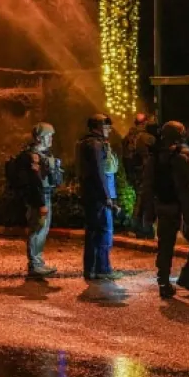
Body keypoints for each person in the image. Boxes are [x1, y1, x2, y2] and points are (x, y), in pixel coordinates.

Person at [141, 120, 189, 298]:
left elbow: (146, 187)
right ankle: (186, 276)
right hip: (184, 208)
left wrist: (147, 213)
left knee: (165, 246)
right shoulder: (183, 156)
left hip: (163, 207)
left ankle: (163, 283)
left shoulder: (154, 159)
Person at [76, 114, 122, 281]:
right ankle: (103, 269)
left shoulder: (86, 143)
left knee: (93, 233)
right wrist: (106, 196)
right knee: (104, 232)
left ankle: (91, 269)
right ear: (98, 127)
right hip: (99, 197)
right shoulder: (95, 145)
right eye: (106, 126)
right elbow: (98, 172)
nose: (109, 130)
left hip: (92, 195)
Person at [16, 122, 62, 277]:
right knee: (38, 229)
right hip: (39, 197)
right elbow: (35, 183)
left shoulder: (43, 154)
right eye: (48, 136)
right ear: (40, 137)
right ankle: (35, 265)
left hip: (44, 195)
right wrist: (41, 204)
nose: (51, 139)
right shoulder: (33, 156)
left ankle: (38, 263)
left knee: (42, 230)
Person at [122, 113, 158, 238]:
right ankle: (144, 228)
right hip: (144, 173)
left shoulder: (128, 137)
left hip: (133, 174)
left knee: (140, 199)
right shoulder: (147, 138)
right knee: (146, 201)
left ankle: (136, 227)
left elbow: (125, 157)